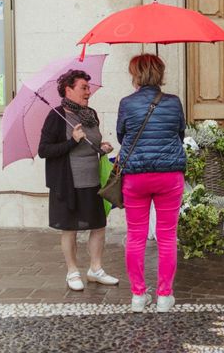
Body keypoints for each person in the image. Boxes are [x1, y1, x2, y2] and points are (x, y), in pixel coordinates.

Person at [116, 54, 186, 313]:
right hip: (169, 175)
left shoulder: (126, 103)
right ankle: (165, 296)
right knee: (167, 237)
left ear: (136, 74)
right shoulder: (174, 102)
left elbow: (123, 136)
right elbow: (181, 132)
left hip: (136, 176)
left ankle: (138, 295)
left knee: (136, 236)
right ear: (160, 74)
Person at [38, 69, 118, 292]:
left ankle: (95, 269)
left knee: (99, 225)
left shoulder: (90, 114)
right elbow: (44, 150)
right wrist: (72, 141)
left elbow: (91, 143)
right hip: (68, 182)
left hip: (93, 181)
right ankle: (72, 271)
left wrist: (102, 148)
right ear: (68, 89)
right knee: (69, 228)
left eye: (89, 88)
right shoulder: (56, 116)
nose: (88, 92)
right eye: (83, 87)